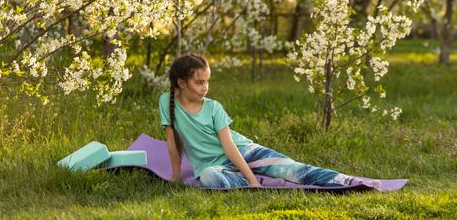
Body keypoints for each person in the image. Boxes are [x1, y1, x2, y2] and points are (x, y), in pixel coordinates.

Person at [158, 53, 381, 190]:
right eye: (199, 82)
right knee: (208, 177)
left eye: (207, 81)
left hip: (245, 152)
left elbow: (230, 146)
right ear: (182, 83)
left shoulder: (214, 107)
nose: (205, 87)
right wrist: (177, 175)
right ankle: (255, 179)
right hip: (217, 167)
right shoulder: (166, 102)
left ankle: (349, 181)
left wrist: (251, 180)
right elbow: (172, 142)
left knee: (293, 170)